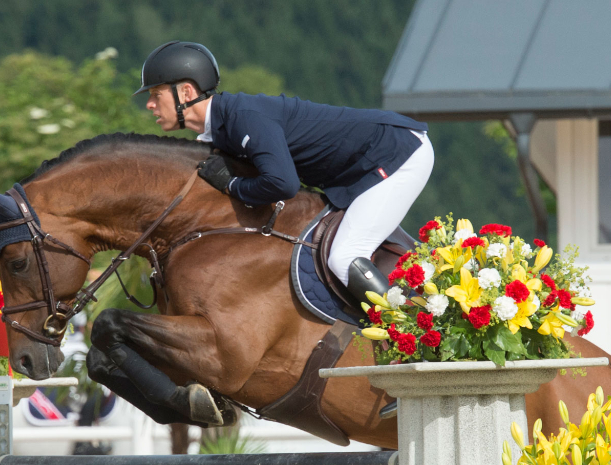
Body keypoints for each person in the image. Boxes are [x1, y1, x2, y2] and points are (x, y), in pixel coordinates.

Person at [136, 41, 435, 301]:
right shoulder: (224, 127)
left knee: (344, 257)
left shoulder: (243, 118)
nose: (149, 104)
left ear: (186, 92)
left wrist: (233, 186)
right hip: (369, 161)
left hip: (398, 151)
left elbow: (283, 184)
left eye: (156, 94)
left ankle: (410, 334)